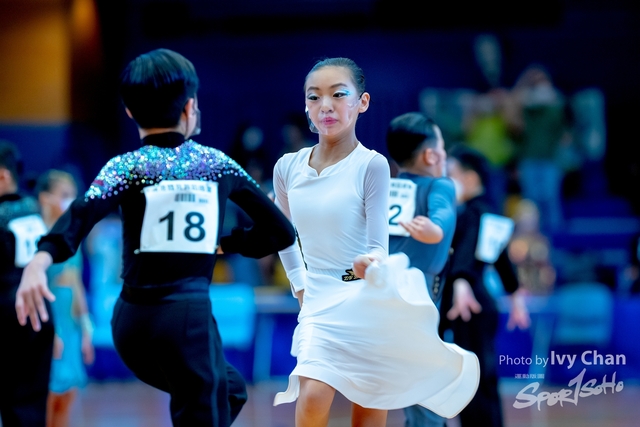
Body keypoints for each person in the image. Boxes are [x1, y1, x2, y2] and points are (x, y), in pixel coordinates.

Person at [15, 48, 296, 426]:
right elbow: (281, 231)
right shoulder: (215, 164)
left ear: (130, 111)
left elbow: (79, 216)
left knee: (229, 390)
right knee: (209, 405)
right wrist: (228, 244)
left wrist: (40, 259)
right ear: (190, 107)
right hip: (187, 319)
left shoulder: (124, 166)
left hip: (131, 325)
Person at [271, 57, 479, 427]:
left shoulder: (372, 165)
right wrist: (299, 284)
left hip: (365, 297)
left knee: (368, 410)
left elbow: (377, 247)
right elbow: (281, 231)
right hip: (317, 298)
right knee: (314, 396)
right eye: (314, 97)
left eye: (338, 94)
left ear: (362, 102)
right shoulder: (286, 167)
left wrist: (369, 264)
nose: (325, 105)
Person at [439, 144, 531, 427]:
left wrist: (461, 281)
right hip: (480, 303)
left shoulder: (472, 214)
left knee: (473, 380)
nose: (446, 179)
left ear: (470, 177)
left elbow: (468, 252)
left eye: (451, 173)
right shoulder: (488, 212)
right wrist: (515, 297)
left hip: (468, 304)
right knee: (483, 378)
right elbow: (501, 259)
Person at [385, 112, 457, 427]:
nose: (445, 154)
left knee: (409, 374)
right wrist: (435, 229)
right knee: (423, 375)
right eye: (442, 147)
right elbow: (441, 217)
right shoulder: (441, 185)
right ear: (431, 155)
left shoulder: (385, 187)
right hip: (419, 291)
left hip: (382, 289)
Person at [35, 169, 95, 427]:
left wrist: (86, 328)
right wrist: (50, 331)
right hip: (48, 325)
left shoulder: (73, 238)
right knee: (47, 397)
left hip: (70, 327)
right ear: (45, 198)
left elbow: (76, 284)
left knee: (67, 396)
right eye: (64, 194)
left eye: (73, 195)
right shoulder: (36, 238)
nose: (71, 200)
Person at [0, 141, 53, 426]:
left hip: (8, 312)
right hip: (39, 313)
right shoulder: (33, 208)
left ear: (2, 175)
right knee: (30, 407)